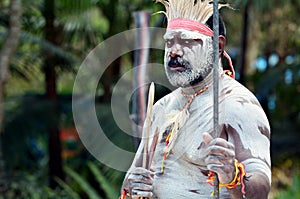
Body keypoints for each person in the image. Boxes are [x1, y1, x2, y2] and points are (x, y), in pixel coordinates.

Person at [120, 0, 271, 198]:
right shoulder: (162, 107)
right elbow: (131, 179)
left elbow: (261, 188)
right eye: (169, 42)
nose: (174, 51)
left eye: (187, 41)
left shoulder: (239, 105)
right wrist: (132, 187)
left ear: (217, 46)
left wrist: (232, 175)